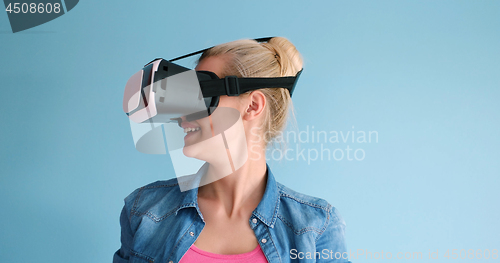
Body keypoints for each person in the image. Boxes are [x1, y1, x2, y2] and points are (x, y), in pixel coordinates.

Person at [114, 37, 350, 263]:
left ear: (253, 106)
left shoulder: (316, 228)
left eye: (200, 95)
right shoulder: (144, 210)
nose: (182, 115)